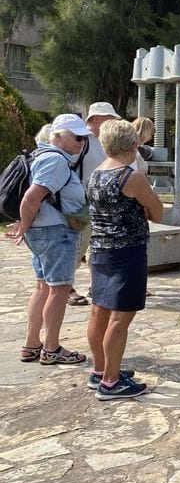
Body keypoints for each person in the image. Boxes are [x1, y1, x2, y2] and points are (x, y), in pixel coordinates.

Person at [6, 114, 92, 365]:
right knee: (59, 289)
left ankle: (32, 344)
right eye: (76, 137)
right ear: (57, 137)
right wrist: (24, 224)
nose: (81, 142)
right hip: (55, 232)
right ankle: (52, 348)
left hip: (44, 230)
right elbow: (31, 198)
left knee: (43, 287)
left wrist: (27, 225)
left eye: (83, 138)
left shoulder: (42, 156)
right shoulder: (55, 160)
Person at [86, 120, 163, 399]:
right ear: (133, 144)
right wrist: (144, 208)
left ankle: (100, 370)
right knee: (120, 317)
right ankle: (111, 382)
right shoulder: (130, 176)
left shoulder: (95, 174)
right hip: (126, 252)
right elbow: (157, 211)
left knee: (99, 310)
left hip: (100, 250)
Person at [69, 101, 121, 307]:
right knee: (77, 246)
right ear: (96, 119)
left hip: (100, 204)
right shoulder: (83, 140)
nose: (113, 123)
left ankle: (97, 284)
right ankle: (66, 286)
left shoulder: (103, 142)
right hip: (80, 203)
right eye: (110, 118)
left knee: (96, 247)